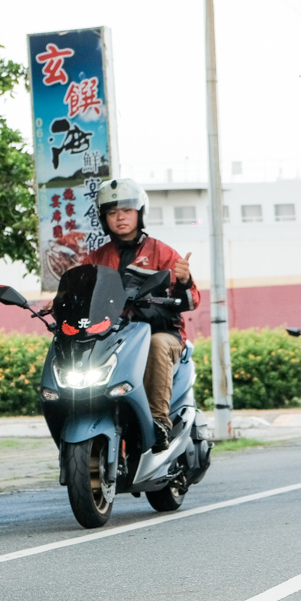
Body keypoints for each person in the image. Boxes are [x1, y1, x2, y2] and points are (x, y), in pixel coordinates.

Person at [79, 178, 199, 451]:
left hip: (161, 332)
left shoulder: (163, 252)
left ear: (140, 213)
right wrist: (60, 303)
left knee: (157, 344)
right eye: (112, 212)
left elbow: (191, 301)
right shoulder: (95, 258)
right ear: (103, 218)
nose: (120, 217)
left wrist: (182, 281)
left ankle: (158, 422)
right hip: (111, 336)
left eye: (127, 210)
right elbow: (79, 292)